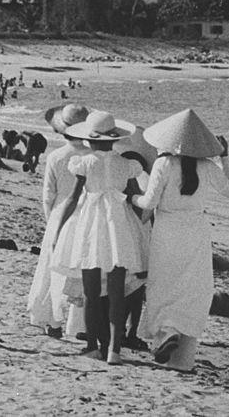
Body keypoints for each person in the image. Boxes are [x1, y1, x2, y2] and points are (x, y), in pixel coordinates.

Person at [131, 109, 229, 371]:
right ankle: (183, 356)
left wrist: (131, 198)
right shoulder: (207, 166)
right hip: (197, 231)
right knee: (191, 288)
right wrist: (225, 157)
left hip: (167, 228)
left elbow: (149, 202)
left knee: (164, 283)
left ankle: (167, 331)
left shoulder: (164, 164)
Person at [51, 111, 146, 365]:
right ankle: (114, 349)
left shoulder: (84, 162)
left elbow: (73, 198)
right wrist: (141, 229)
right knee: (117, 292)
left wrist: (59, 229)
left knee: (91, 292)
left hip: (91, 223)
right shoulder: (125, 164)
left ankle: (93, 345)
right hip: (118, 224)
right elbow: (133, 199)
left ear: (90, 138)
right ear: (113, 138)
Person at [27, 103, 92, 337]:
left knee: (52, 269)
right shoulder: (91, 155)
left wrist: (51, 220)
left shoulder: (56, 156)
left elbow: (48, 195)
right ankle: (78, 325)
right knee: (80, 270)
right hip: (85, 213)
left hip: (59, 213)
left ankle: (51, 319)